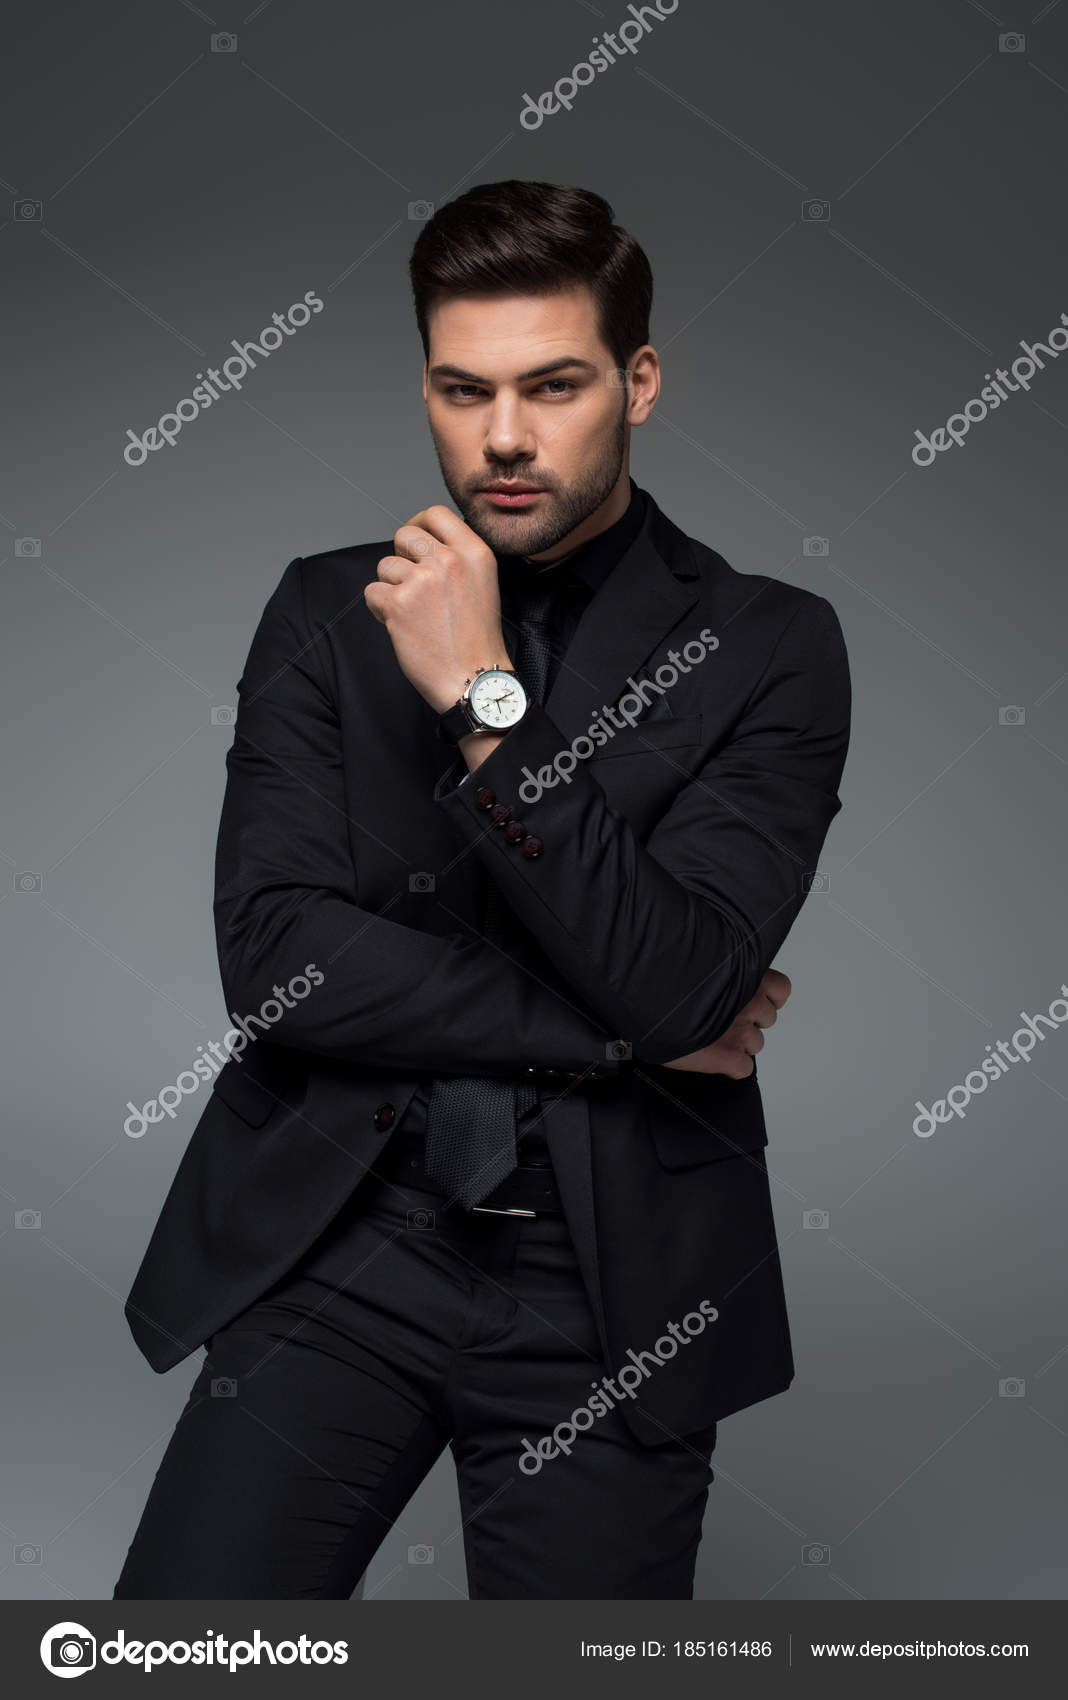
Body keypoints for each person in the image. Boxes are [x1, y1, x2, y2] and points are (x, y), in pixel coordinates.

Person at [114, 179, 850, 1600]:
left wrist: (479, 692)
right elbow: (278, 963)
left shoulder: (770, 643)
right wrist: (634, 1037)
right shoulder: (327, 610)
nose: (504, 437)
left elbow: (676, 970)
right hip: (342, 1245)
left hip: (613, 1291)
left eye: (553, 385)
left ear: (636, 383)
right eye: (463, 389)